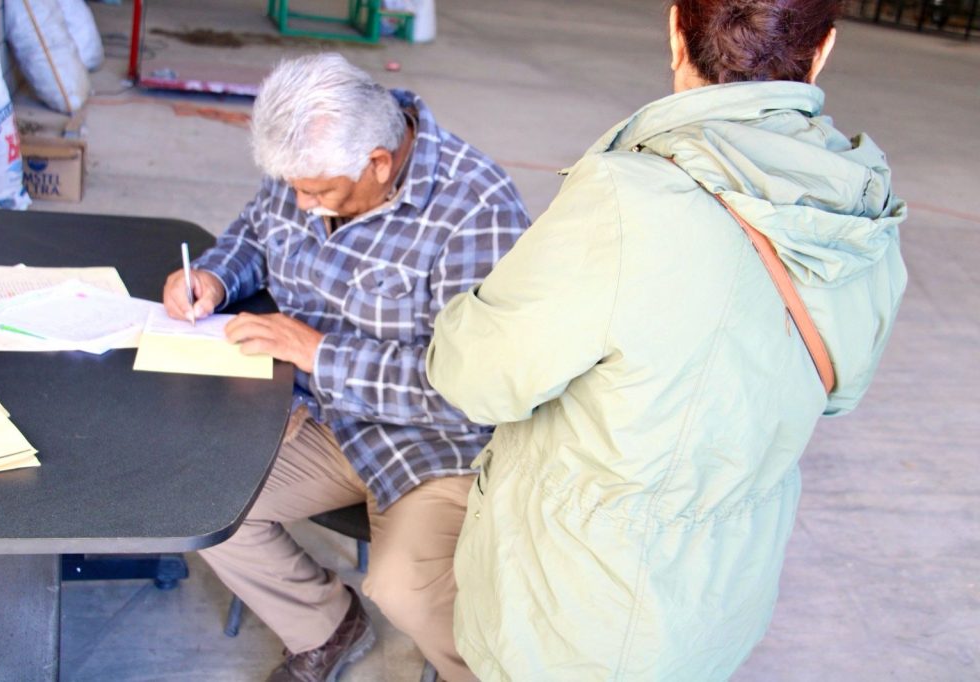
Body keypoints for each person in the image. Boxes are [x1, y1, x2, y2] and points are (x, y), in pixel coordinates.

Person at [426, 1, 908, 679]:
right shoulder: (863, 208)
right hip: (719, 600)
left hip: (573, 615)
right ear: (823, 49)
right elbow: (840, 389)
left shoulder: (629, 200)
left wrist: (466, 314)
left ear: (676, 29)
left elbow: (475, 378)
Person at [163, 53, 529, 682]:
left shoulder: (478, 210)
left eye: (317, 193)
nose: (301, 204)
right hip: (316, 413)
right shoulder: (312, 165)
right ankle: (324, 625)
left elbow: (474, 391)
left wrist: (318, 352)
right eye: (293, 188)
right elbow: (255, 231)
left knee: (407, 589)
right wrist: (216, 277)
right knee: (192, 504)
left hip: (433, 440)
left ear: (378, 163)